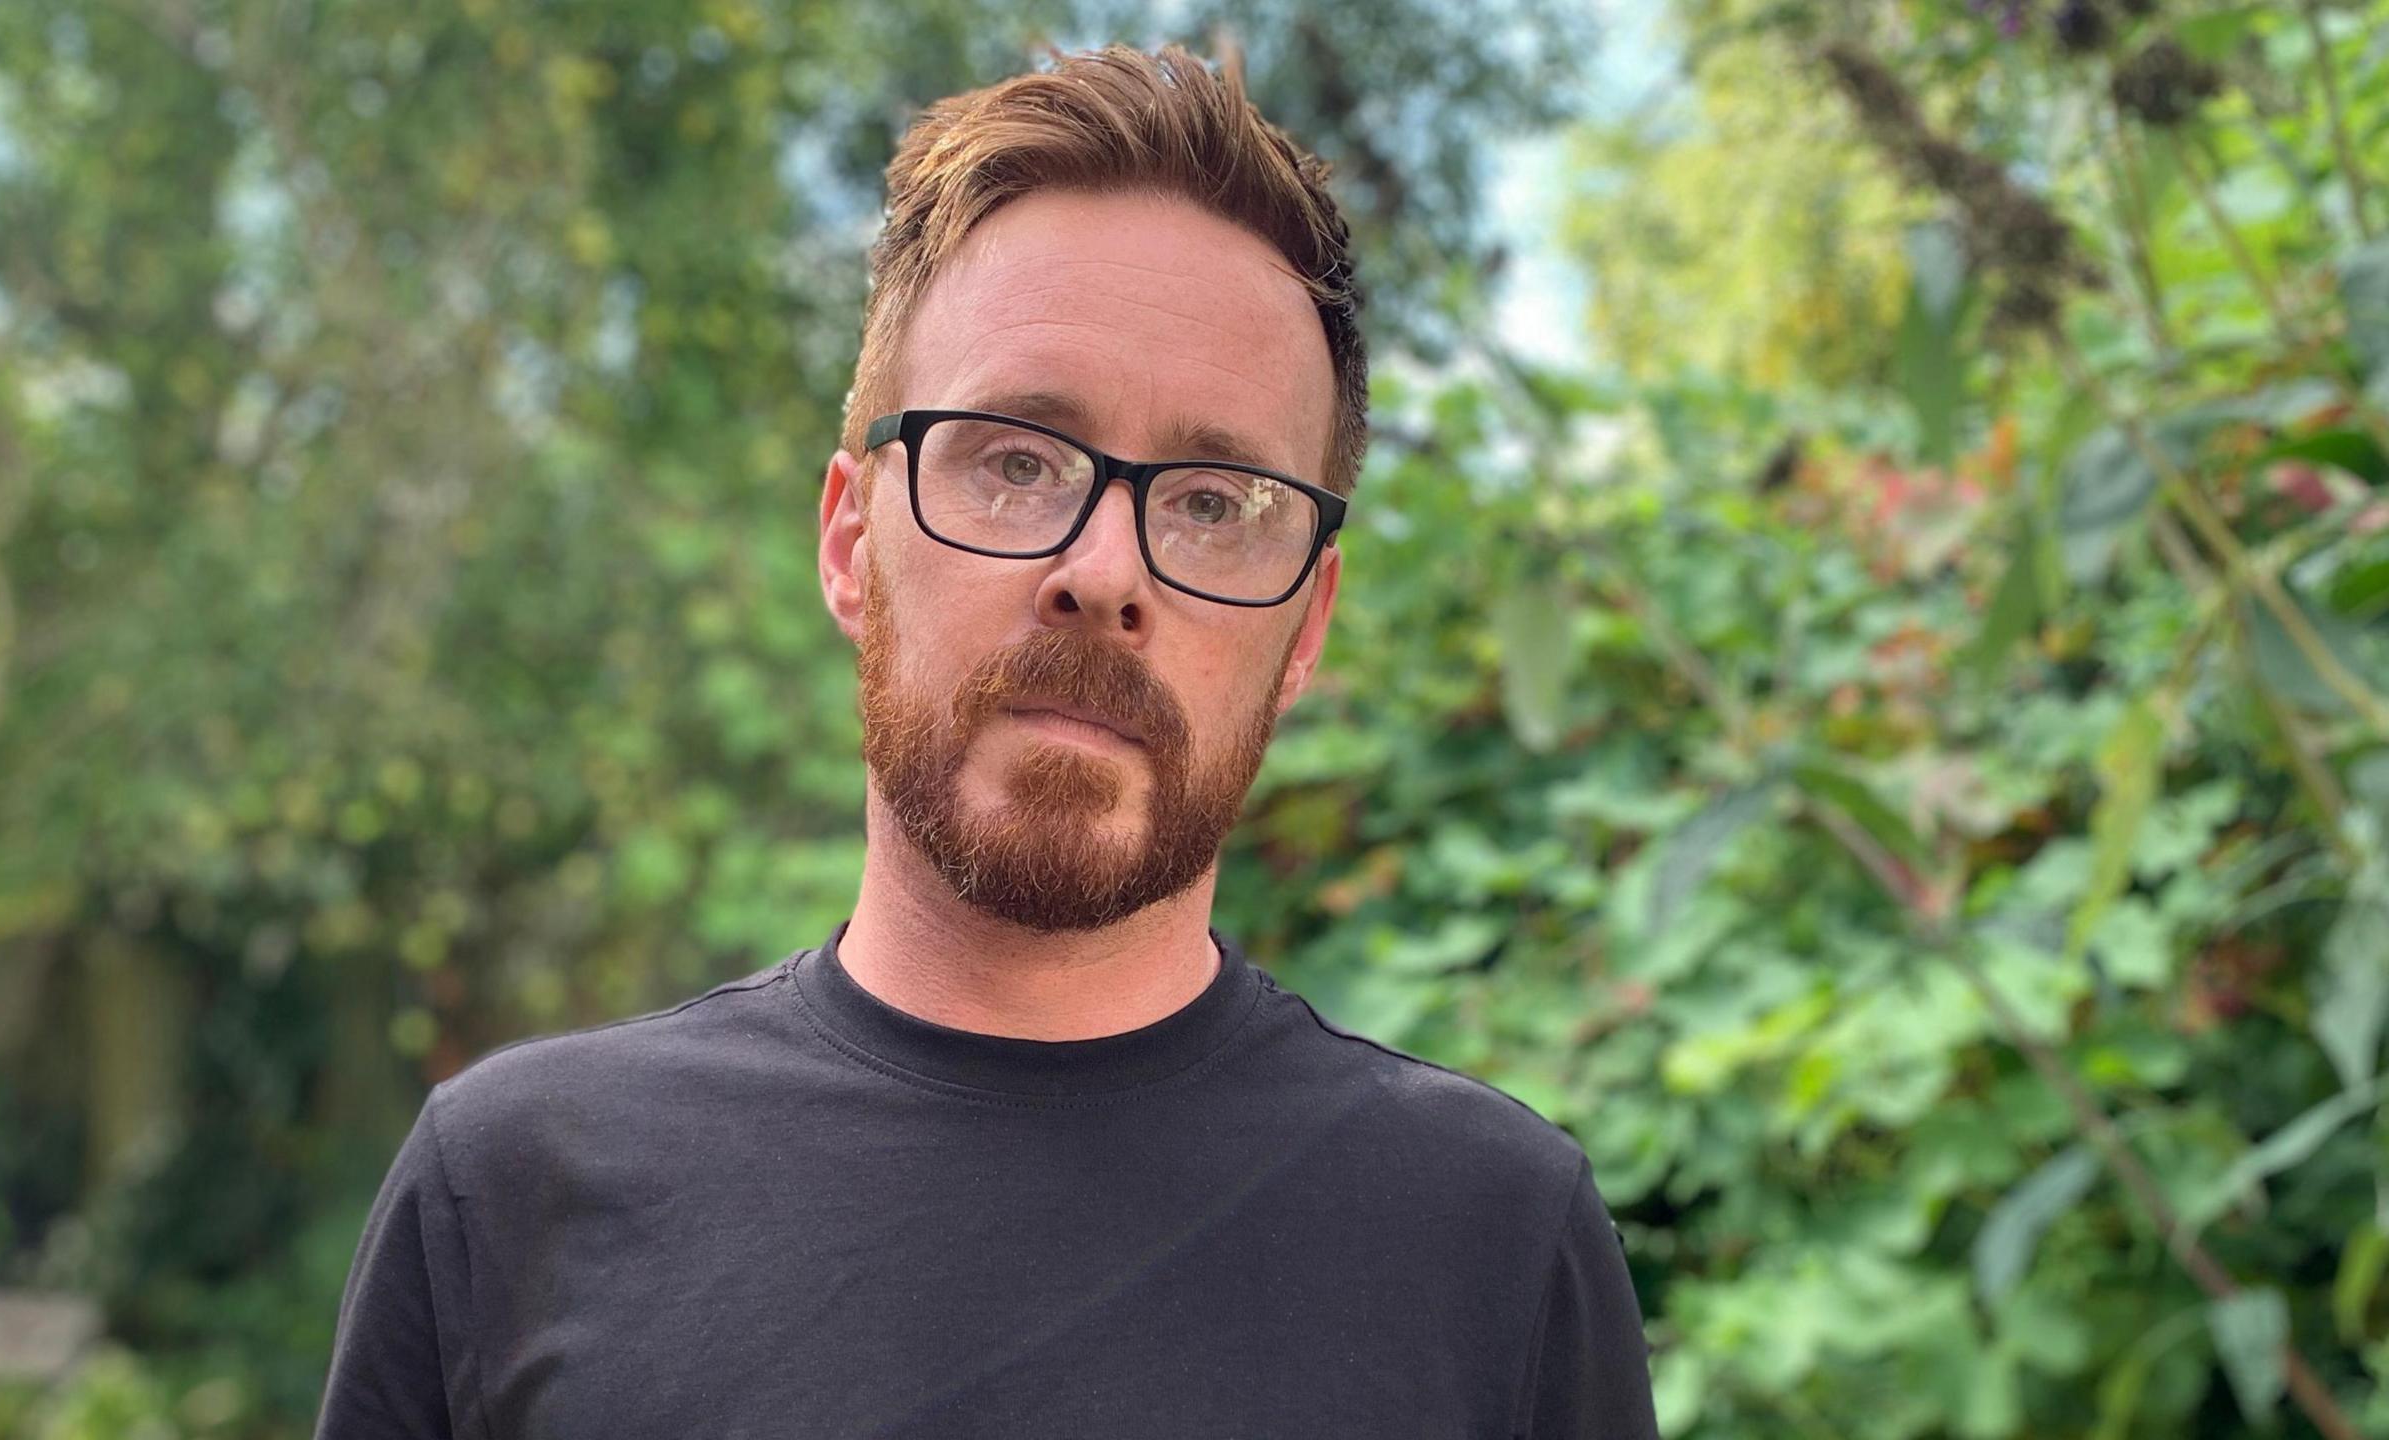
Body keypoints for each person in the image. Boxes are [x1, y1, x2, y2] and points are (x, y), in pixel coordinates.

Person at [316, 40, 1658, 1440]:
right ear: (851, 541)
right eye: (1015, 461)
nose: (1105, 570)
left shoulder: (1495, 1246)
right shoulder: (512, 1197)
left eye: (1213, 502)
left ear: (1308, 626)